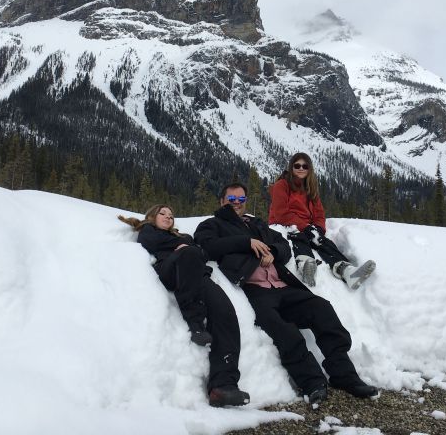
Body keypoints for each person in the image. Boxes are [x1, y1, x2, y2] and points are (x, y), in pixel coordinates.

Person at [194, 184, 378, 405]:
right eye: (231, 198)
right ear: (222, 200)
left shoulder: (256, 223)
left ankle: (345, 375)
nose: (236, 202)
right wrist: (246, 243)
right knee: (284, 331)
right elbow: (207, 245)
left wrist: (272, 252)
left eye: (241, 199)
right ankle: (312, 382)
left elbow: (284, 246)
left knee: (322, 309)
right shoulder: (212, 225)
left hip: (283, 285)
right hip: (256, 290)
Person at [119, 204, 250, 408]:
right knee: (188, 254)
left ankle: (224, 386)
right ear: (152, 216)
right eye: (163, 213)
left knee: (225, 311)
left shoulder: (182, 237)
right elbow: (151, 242)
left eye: (171, 215)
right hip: (171, 268)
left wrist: (186, 243)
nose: (168, 217)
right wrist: (183, 245)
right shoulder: (148, 231)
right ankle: (195, 322)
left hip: (199, 275)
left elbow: (202, 252)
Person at [269, 152, 376, 290]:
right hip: (284, 224)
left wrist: (318, 228)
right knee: (298, 237)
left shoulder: (310, 189)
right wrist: (305, 227)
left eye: (305, 166)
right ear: (291, 168)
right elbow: (280, 213)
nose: (301, 168)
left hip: (306, 225)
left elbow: (319, 213)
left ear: (309, 169)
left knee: (322, 240)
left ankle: (347, 271)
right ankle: (305, 266)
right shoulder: (282, 185)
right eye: (297, 165)